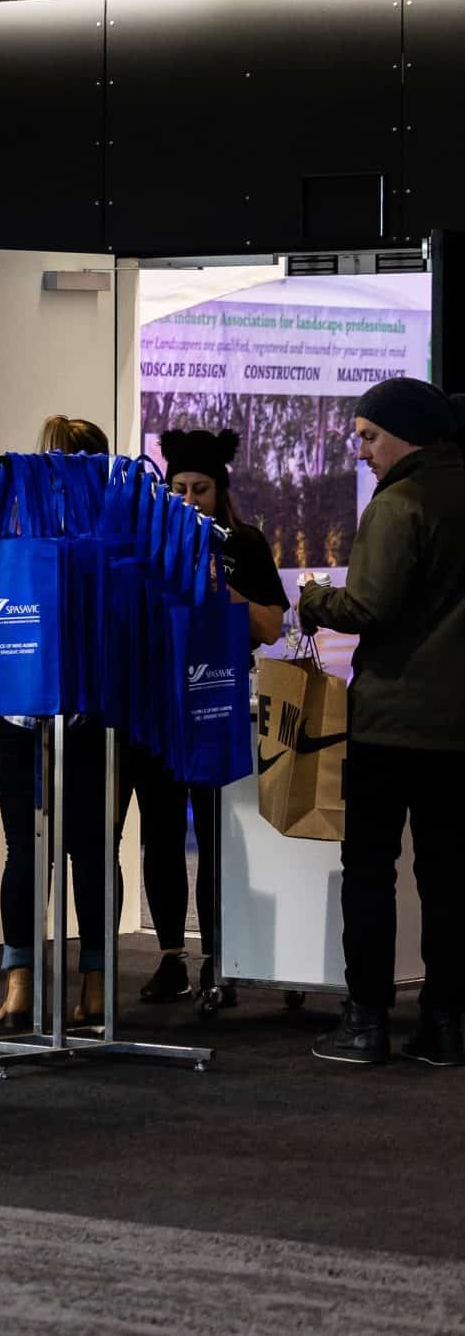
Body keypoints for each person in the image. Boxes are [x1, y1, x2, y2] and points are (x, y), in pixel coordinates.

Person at [300, 378, 465, 1068]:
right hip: (456, 733)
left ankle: (365, 1021)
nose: (362, 450)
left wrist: (314, 597)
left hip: (391, 723)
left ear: (407, 434)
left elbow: (366, 607)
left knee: (369, 872)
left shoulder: (400, 503)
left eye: (369, 435)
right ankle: (447, 1025)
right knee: (449, 878)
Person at [123, 429, 288, 1011]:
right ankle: (171, 956)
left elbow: (271, 628)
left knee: (219, 838)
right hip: (156, 706)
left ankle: (221, 954)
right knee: (161, 832)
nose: (190, 499)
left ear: (221, 491)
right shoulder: (146, 541)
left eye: (201, 489)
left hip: (217, 701)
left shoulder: (245, 543)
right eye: (180, 488)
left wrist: (221, 585)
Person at [0, 414, 113, 1033]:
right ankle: (91, 984)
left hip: (30, 707)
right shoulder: (110, 526)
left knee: (35, 849)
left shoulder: (13, 523)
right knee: (85, 850)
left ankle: (25, 984)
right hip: (79, 708)